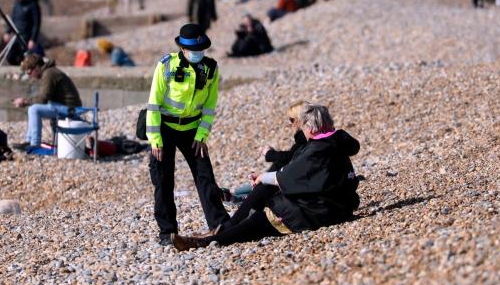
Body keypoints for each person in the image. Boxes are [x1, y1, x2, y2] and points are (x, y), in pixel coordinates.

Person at [172, 104, 360, 251]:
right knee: (265, 192)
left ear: (310, 127)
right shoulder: (337, 141)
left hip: (320, 211)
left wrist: (263, 177)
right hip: (339, 204)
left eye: (302, 126)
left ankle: (208, 241)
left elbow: (286, 177)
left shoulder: (318, 149)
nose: (302, 130)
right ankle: (222, 230)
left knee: (261, 219)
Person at [145, 23, 229, 245]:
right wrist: (155, 141)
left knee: (205, 176)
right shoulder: (166, 66)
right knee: (163, 181)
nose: (198, 53)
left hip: (192, 130)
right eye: (194, 50)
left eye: (201, 49)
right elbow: (153, 104)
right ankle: (167, 232)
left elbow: (210, 106)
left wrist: (202, 135)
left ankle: (220, 223)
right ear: (183, 49)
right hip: (165, 128)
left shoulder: (211, 68)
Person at [12, 55, 82, 151]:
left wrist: (24, 102)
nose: (29, 75)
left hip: (70, 108)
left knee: (34, 109)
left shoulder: (49, 74)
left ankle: (34, 144)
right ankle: (29, 141)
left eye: (29, 72)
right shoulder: (49, 72)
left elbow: (43, 99)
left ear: (36, 67)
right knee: (33, 108)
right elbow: (44, 98)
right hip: (65, 106)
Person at [4, 0, 42, 65]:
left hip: (27, 37)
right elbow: (13, 19)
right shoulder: (16, 4)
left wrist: (33, 39)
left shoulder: (33, 5)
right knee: (10, 57)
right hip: (16, 36)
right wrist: (7, 31)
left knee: (26, 58)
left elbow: (36, 23)